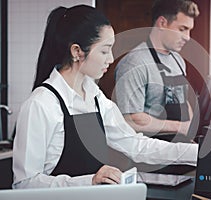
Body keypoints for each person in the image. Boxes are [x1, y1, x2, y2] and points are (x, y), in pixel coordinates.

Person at [12, 4, 198, 189]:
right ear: (77, 51)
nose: (110, 58)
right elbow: (25, 184)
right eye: (104, 50)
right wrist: (89, 181)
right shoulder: (41, 104)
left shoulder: (96, 98)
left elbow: (136, 145)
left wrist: (196, 153)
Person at [114, 0, 200, 142]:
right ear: (162, 23)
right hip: (149, 154)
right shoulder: (135, 63)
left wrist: (190, 132)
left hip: (179, 145)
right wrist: (180, 127)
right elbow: (131, 119)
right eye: (182, 29)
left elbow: (182, 100)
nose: (188, 37)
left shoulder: (178, 60)